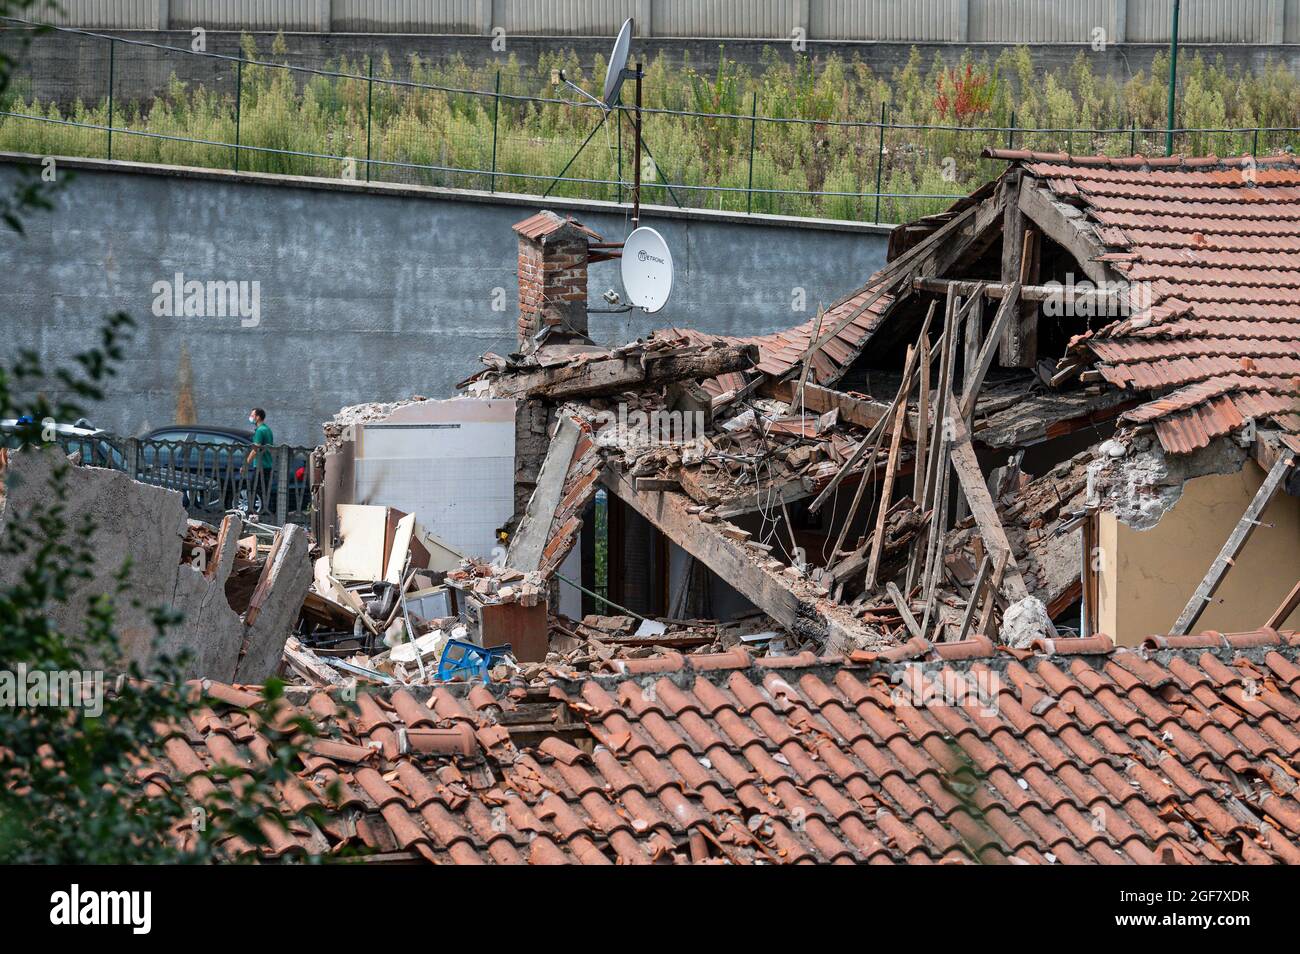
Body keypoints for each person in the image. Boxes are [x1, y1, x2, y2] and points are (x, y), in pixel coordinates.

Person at [242, 408, 274, 516]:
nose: (251, 417)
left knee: (253, 488)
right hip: (267, 464)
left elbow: (255, 449)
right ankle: (263, 512)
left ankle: (253, 512)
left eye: (252, 415)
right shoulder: (267, 429)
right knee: (263, 489)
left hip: (261, 465)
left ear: (258, 417)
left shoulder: (260, 431)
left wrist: (246, 464)